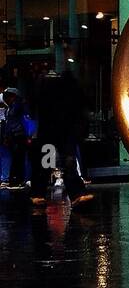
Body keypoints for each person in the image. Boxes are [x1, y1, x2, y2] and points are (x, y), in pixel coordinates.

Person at [29, 67, 92, 210]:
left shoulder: (45, 87)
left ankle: (39, 193)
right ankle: (75, 193)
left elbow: (34, 106)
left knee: (52, 161)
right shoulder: (65, 88)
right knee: (64, 161)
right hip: (58, 130)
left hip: (53, 130)